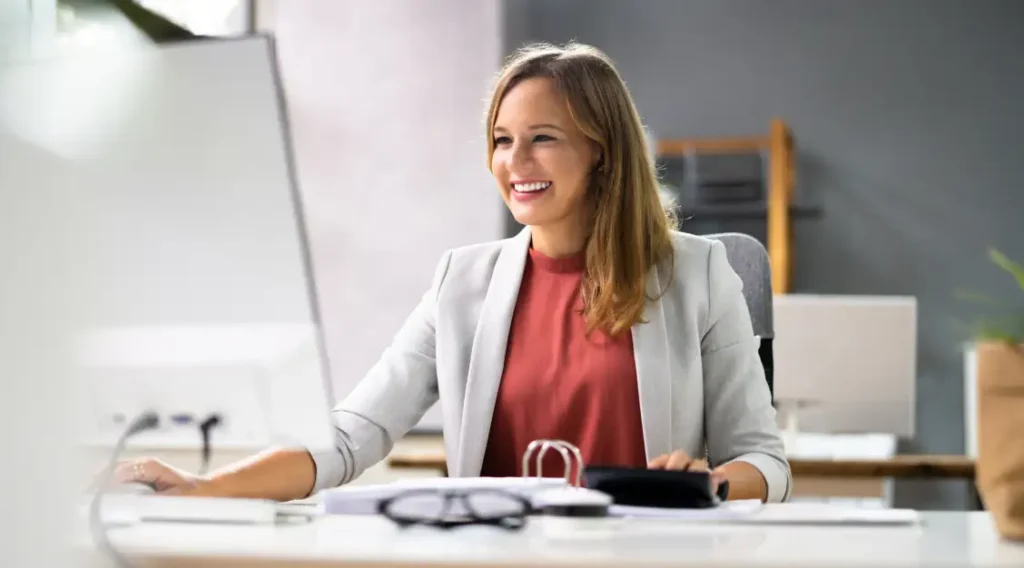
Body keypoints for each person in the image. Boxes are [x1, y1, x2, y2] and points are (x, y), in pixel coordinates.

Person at [117, 42, 791, 504]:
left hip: (644, 557)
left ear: (601, 152)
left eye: (543, 138)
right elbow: (351, 436)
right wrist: (207, 489)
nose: (514, 161)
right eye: (502, 140)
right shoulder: (461, 281)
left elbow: (766, 461)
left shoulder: (699, 274)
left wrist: (712, 484)